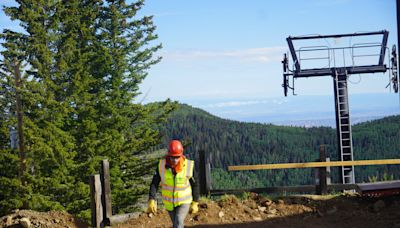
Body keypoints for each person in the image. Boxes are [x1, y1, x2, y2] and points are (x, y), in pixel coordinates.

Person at [147, 140, 200, 228]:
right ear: (169, 155)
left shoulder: (189, 166)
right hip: (169, 203)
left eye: (177, 157)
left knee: (178, 222)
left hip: (184, 201)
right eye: (172, 157)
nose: (175, 160)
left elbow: (195, 184)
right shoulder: (161, 166)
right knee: (176, 224)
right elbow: (154, 183)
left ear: (181, 155)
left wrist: (195, 202)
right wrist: (151, 199)